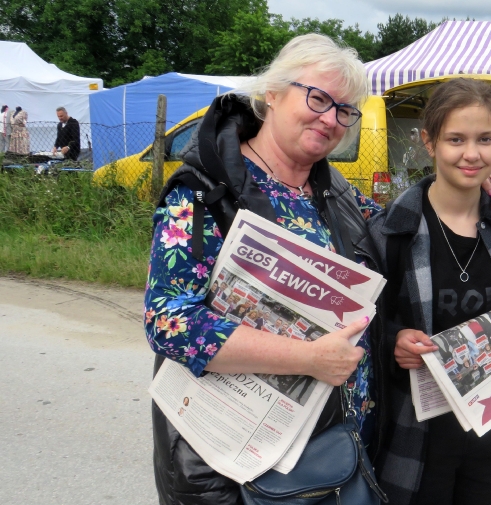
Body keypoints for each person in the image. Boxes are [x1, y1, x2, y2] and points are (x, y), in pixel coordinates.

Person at [144, 34, 383, 505]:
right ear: (272, 92)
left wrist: (474, 184)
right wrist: (308, 359)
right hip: (235, 463)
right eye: (318, 99)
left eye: (344, 111)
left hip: (332, 451)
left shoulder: (334, 190)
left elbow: (400, 229)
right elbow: (169, 322)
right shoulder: (202, 192)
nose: (330, 119)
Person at [368, 78, 491, 505]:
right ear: (429, 142)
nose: (471, 154)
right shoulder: (392, 232)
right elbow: (366, 322)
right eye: (456, 139)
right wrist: (394, 341)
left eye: (485, 139)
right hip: (418, 436)